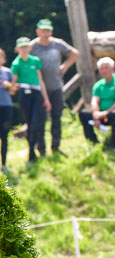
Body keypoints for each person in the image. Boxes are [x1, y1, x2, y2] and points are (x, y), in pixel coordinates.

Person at [30, 18, 79, 155]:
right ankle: (41, 149)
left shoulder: (57, 43)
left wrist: (65, 66)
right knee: (40, 120)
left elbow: (74, 53)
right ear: (37, 31)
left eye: (48, 31)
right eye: (43, 31)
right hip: (39, 89)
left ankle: (56, 147)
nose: (46, 34)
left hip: (56, 86)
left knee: (56, 118)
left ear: (51, 31)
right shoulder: (32, 46)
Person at [11, 37, 51, 163]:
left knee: (37, 122)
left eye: (26, 46)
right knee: (30, 123)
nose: (24, 49)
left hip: (37, 93)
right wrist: (12, 87)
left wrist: (46, 99)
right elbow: (14, 83)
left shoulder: (35, 60)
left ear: (30, 47)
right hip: (24, 94)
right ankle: (32, 151)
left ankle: (40, 148)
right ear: (17, 49)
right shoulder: (16, 64)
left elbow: (40, 81)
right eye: (21, 47)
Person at [78, 57, 115, 149]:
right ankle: (93, 142)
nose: (104, 71)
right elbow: (94, 102)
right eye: (102, 68)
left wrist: (105, 113)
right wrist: (95, 115)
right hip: (102, 114)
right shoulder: (98, 85)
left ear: (113, 68)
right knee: (84, 113)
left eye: (106, 68)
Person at [0, 48, 18, 172]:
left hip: (6, 106)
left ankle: (4, 164)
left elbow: (12, 92)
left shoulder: (8, 72)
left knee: (4, 136)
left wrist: (12, 87)